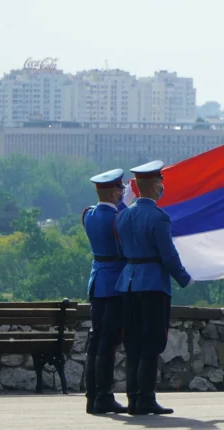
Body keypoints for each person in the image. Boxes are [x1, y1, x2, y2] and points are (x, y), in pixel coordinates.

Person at [113, 160, 194, 415]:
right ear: (155, 184)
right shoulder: (159, 217)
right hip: (153, 285)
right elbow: (168, 256)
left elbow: (120, 251)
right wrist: (184, 277)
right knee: (153, 341)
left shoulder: (123, 215)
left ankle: (133, 398)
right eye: (161, 182)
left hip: (128, 282)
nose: (162, 186)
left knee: (133, 343)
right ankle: (146, 398)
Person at [81, 168, 129, 414]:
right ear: (113, 192)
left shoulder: (88, 215)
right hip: (113, 284)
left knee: (96, 340)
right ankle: (104, 395)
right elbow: (124, 245)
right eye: (120, 190)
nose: (123, 193)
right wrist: (124, 206)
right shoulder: (118, 218)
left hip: (97, 281)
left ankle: (92, 395)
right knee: (108, 343)